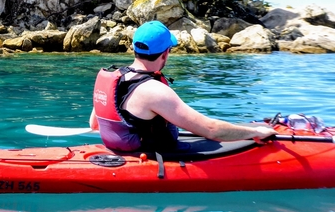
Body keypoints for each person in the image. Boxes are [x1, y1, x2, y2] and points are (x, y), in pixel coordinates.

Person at [89, 20, 277, 152]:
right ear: (165, 53)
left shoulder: (114, 77)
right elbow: (211, 130)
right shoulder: (155, 91)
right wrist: (256, 131)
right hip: (146, 158)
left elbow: (94, 124)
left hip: (117, 151)